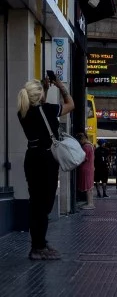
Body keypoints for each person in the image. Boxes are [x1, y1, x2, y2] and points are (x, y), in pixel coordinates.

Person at [17, 75, 75, 260]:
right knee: (45, 204)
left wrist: (45, 88)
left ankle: (38, 243)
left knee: (35, 203)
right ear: (41, 95)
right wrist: (61, 86)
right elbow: (70, 104)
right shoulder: (48, 110)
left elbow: (40, 109)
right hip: (46, 159)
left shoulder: (23, 111)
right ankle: (38, 247)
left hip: (32, 158)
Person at [76, 133, 95, 210]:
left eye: (80, 140)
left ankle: (90, 204)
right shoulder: (91, 146)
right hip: (90, 168)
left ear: (82, 139)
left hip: (85, 168)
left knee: (87, 186)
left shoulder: (85, 147)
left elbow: (84, 158)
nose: (80, 142)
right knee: (90, 187)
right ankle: (91, 203)